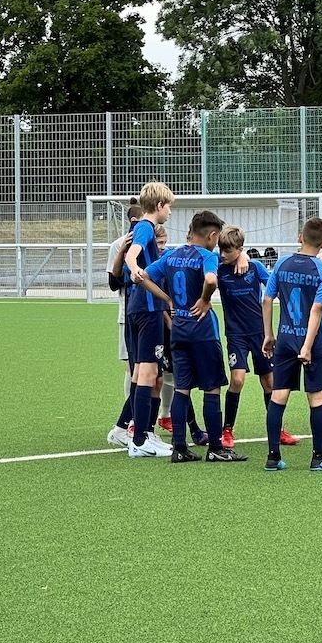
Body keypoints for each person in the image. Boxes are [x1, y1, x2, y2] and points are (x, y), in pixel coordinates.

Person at [137, 211, 247, 463]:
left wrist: (167, 300)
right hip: (203, 331)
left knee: (182, 388)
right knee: (212, 388)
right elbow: (211, 279)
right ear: (211, 235)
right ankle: (216, 448)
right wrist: (205, 299)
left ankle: (179, 448)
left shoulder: (171, 255)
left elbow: (142, 276)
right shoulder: (207, 256)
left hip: (179, 330)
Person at [261, 217, 322, 472]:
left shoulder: (282, 263)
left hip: (284, 337)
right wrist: (307, 347)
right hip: (312, 341)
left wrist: (268, 335)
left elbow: (267, 299)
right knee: (316, 396)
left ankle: (273, 457)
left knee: (278, 394)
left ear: (299, 237)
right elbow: (316, 309)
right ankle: (318, 458)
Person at [217, 225, 297, 450]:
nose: (223, 254)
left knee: (269, 381)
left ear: (240, 249)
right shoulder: (219, 269)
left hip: (260, 334)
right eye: (221, 249)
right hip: (236, 334)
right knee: (237, 380)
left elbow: (274, 288)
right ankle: (227, 429)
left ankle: (277, 429)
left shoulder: (255, 267)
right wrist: (238, 255)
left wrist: (245, 257)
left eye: (228, 250)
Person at [117, 183, 175, 458]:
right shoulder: (147, 227)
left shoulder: (144, 228)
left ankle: (141, 435)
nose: (170, 212)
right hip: (148, 309)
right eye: (169, 207)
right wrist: (135, 269)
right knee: (149, 374)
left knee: (141, 373)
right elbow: (132, 254)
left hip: (138, 307)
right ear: (159, 206)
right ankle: (140, 440)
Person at [105, 200, 142, 449]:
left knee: (150, 370)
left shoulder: (152, 242)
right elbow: (112, 283)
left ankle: (147, 419)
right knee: (133, 369)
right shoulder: (119, 244)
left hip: (147, 314)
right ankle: (127, 423)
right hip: (127, 315)